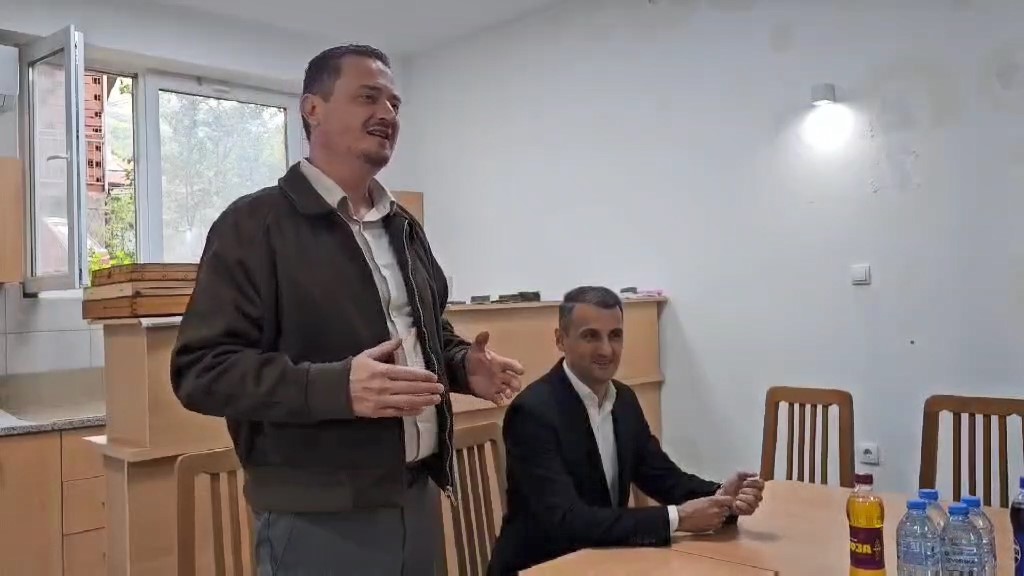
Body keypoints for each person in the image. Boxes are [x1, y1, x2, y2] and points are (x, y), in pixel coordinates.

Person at [170, 43, 524, 576]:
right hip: (318, 517)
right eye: (368, 97)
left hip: (418, 496)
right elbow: (201, 372)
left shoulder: (403, 225)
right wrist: (337, 388)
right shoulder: (253, 225)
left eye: (395, 103)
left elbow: (423, 331)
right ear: (312, 109)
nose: (387, 114)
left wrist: (458, 365)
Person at [487, 286, 765, 574]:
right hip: (540, 568)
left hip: (603, 562)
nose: (606, 350)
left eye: (615, 335)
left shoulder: (624, 400)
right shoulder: (532, 412)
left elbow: (663, 477)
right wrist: (677, 518)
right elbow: (566, 521)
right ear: (561, 339)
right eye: (590, 336)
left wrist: (722, 496)